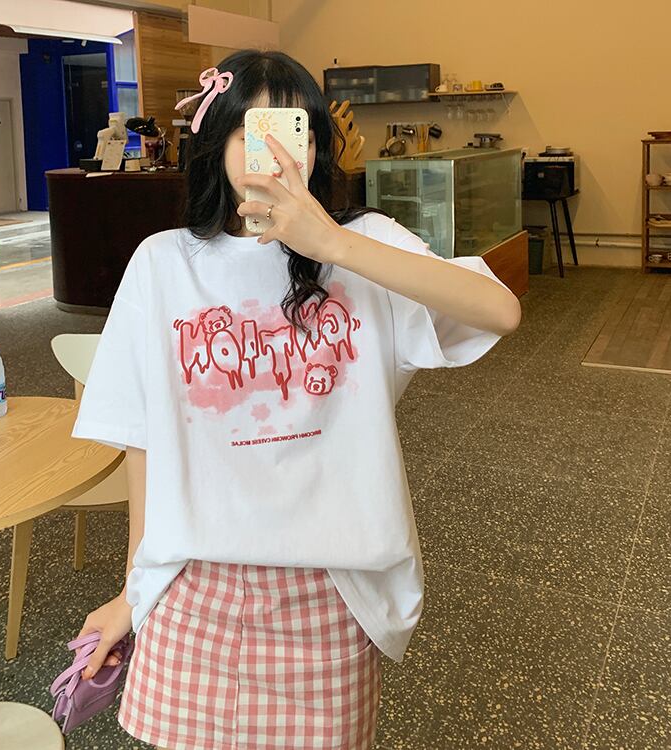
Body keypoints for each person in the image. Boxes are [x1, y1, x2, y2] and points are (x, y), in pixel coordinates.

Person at [70, 49, 521, 750]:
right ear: (216, 143)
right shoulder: (164, 262)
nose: (279, 154)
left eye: (296, 131)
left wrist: (331, 243)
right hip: (193, 590)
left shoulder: (364, 243)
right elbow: (143, 439)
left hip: (328, 593)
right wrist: (133, 590)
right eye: (254, 132)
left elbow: (500, 311)